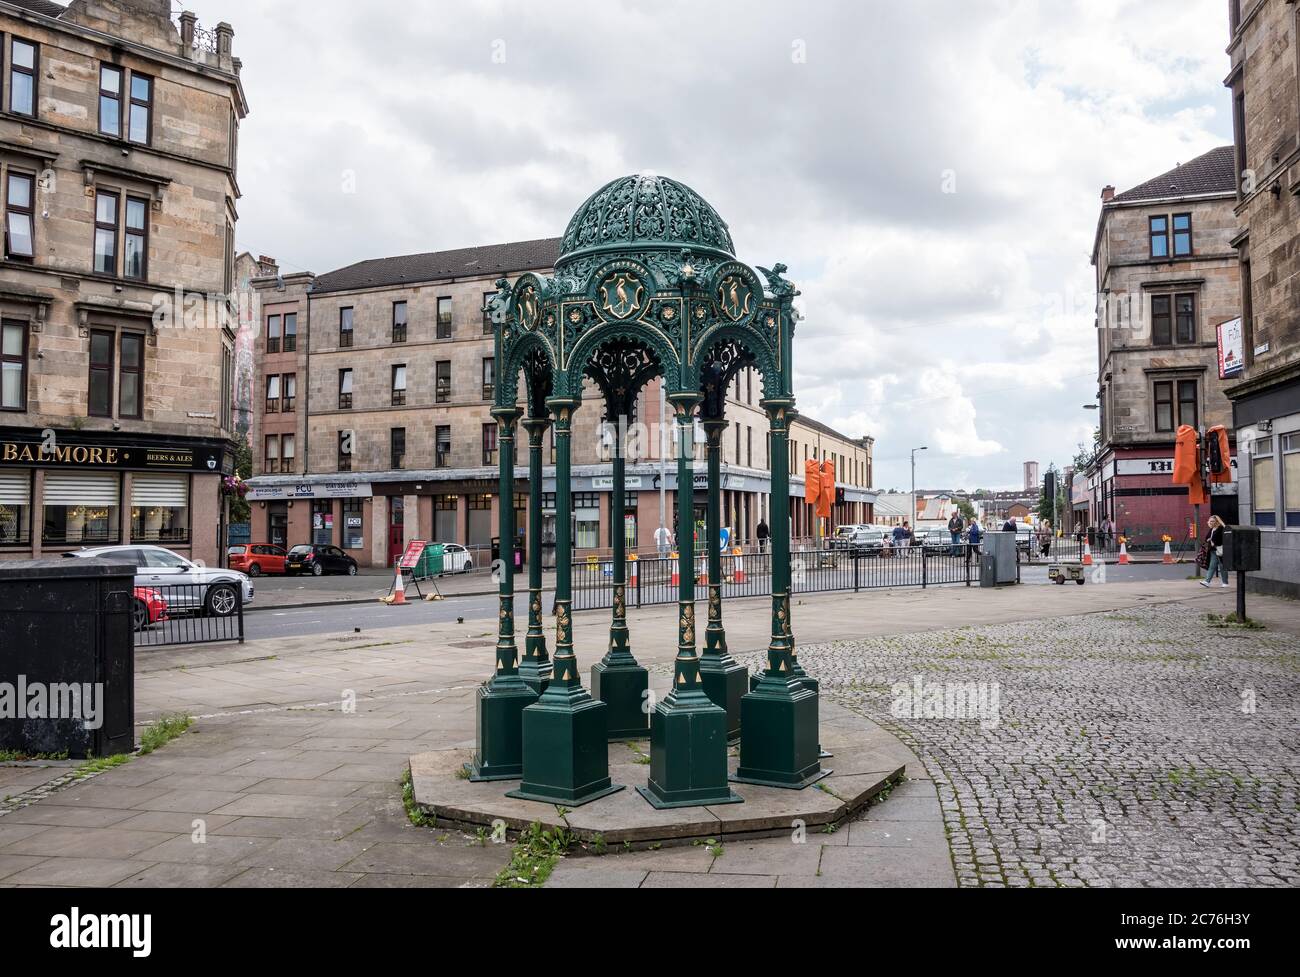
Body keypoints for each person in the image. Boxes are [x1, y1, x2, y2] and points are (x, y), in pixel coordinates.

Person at [1200, 515, 1229, 588]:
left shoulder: (1221, 528)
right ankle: (1207, 581)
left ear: (1217, 522)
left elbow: (1221, 539)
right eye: (1210, 521)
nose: (1211, 522)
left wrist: (1213, 541)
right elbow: (1206, 537)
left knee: (1222, 567)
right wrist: (1209, 539)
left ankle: (1225, 582)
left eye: (1212, 521)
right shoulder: (1212, 529)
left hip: (1220, 550)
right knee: (1212, 566)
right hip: (1213, 551)